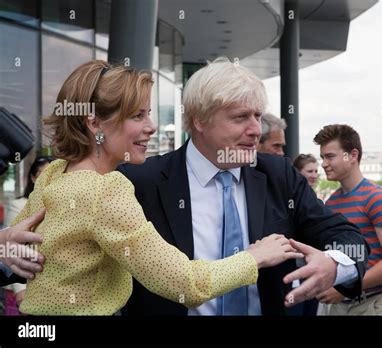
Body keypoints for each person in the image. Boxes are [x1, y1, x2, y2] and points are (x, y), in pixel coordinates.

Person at [7, 60, 303, 315]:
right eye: (138, 116)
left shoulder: (55, 174)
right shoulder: (105, 190)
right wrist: (256, 256)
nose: (152, 126)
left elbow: (19, 248)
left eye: (149, 113)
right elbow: (186, 283)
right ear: (95, 124)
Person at [119, 57, 368, 316]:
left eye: (257, 116)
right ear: (199, 121)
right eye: (240, 118)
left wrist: (334, 265)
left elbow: (348, 237)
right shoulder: (141, 182)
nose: (256, 130)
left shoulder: (279, 175)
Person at [314, 124, 382, 315]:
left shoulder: (376, 197)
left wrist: (346, 288)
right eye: (322, 157)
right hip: (342, 303)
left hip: (375, 303)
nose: (323, 163)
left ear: (353, 155)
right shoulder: (331, 202)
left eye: (330, 156)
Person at [3, 156, 54, 315]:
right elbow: (10, 249)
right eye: (42, 175)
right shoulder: (19, 205)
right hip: (27, 283)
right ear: (32, 178)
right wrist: (21, 290)